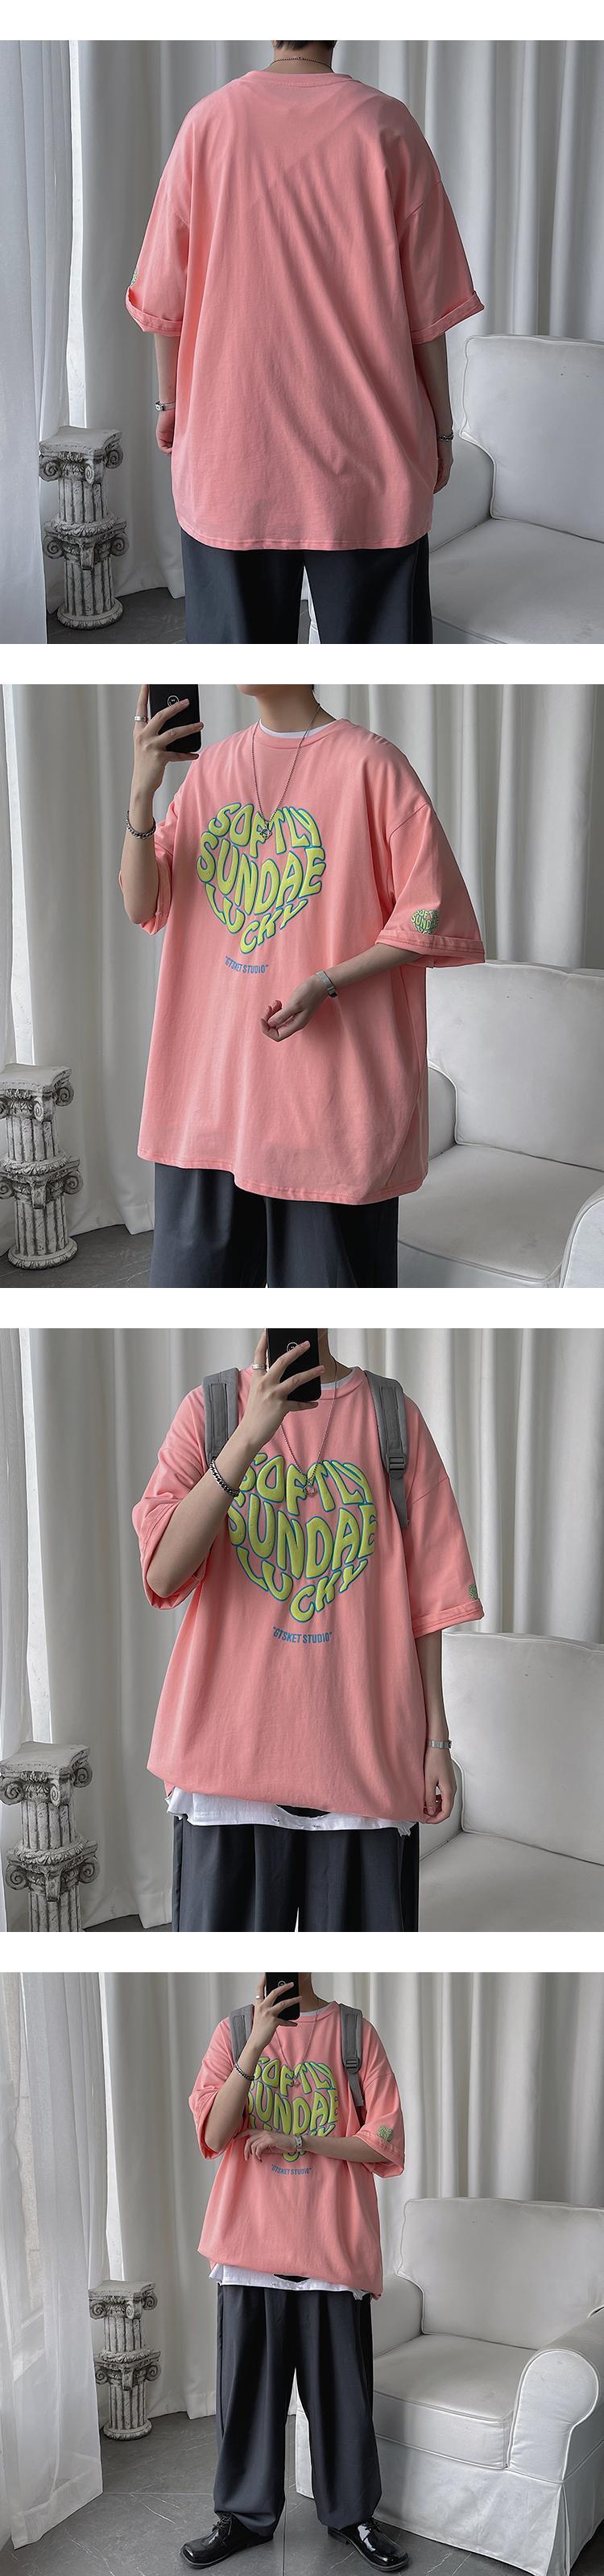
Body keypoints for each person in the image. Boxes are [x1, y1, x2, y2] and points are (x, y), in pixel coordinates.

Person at [120, 681, 485, 1289]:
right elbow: (142, 905)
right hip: (208, 1096)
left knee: (326, 1309)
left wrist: (326, 981)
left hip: (326, 1109)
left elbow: (429, 915)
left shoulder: (373, 766)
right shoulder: (210, 770)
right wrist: (142, 790)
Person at [125, 42, 482, 644]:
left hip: (232, 453)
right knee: (378, 672)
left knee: (239, 670)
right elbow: (430, 315)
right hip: (368, 457)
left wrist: (171, 405)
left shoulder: (207, 124)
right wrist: (441, 432)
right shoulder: (386, 125)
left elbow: (164, 303)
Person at [132, 1327, 484, 1932]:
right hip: (226, 1766)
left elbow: (429, 1603)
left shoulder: (392, 1417)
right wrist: (248, 1436)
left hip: (365, 1765)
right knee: (247, 1961)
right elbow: (163, 1573)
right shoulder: (211, 1410)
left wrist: (437, 1743)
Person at [184, 1972, 408, 2568]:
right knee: (247, 2402)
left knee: (342, 2403)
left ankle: (353, 2516)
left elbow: (383, 2142)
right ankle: (242, 2518)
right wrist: (256, 2044)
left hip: (333, 2251)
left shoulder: (354, 2033)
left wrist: (299, 2140)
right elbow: (214, 2133)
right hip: (249, 2252)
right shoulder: (235, 2032)